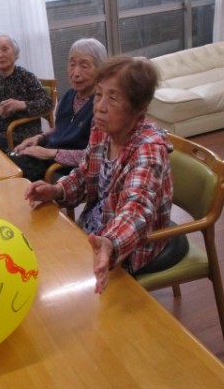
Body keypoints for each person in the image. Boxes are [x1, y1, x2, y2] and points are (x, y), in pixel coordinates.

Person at [25, 56, 182, 294]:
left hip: (132, 244)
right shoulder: (102, 130)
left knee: (66, 287)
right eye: (98, 95)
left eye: (113, 98)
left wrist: (110, 242)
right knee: (44, 259)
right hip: (98, 226)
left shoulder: (148, 149)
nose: (100, 106)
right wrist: (56, 190)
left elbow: (137, 208)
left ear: (139, 107)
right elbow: (84, 174)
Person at [10, 38, 107, 181]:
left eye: (84, 66)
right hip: (49, 155)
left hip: (66, 168)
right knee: (9, 161)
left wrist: (50, 153)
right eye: (72, 64)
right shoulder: (69, 95)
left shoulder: (102, 106)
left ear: (100, 70)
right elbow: (61, 127)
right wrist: (40, 138)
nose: (76, 73)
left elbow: (97, 156)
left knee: (15, 175)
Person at [0, 33, 53, 151]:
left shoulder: (26, 77)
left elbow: (47, 103)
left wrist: (21, 105)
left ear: (15, 53)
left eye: (4, 49)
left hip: (20, 132)